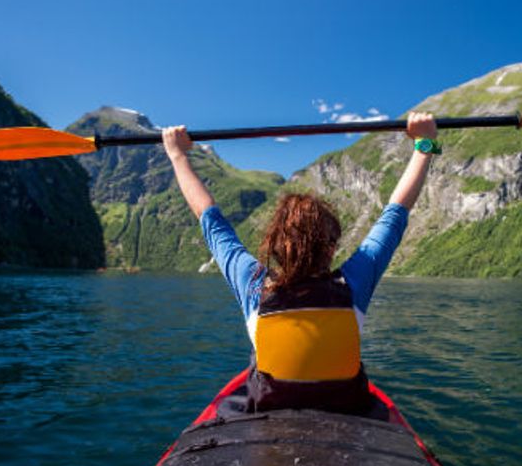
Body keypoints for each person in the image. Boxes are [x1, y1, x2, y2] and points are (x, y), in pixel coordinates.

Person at [162, 113, 439, 417]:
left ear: (275, 246)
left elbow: (210, 220)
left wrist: (177, 155)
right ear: (332, 247)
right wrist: (423, 144)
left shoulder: (253, 286)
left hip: (269, 419)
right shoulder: (354, 283)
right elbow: (395, 214)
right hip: (348, 416)